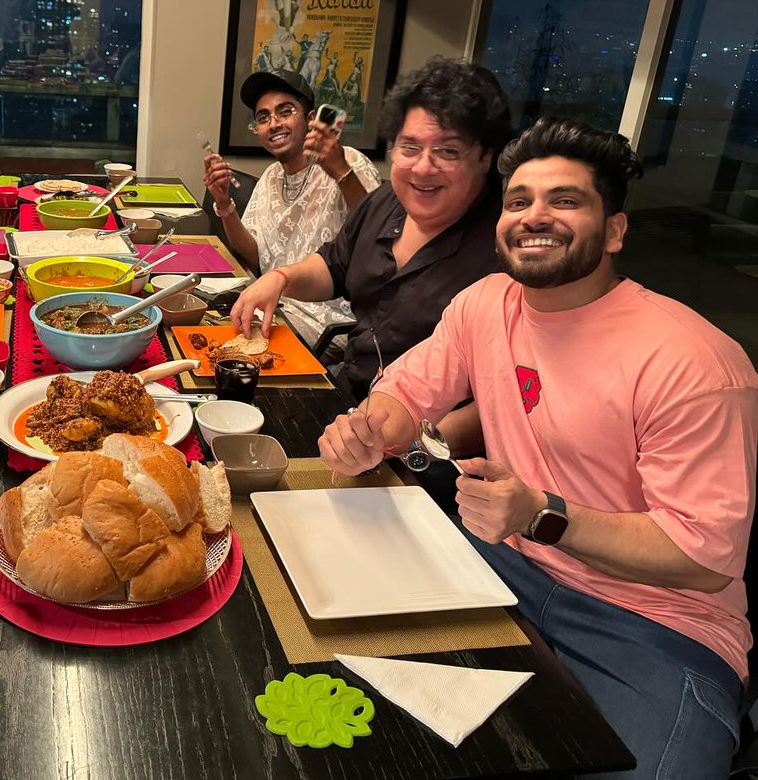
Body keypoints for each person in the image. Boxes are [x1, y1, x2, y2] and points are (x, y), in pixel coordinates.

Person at [320, 117, 757, 779]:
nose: (534, 216)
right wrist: (367, 430)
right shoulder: (487, 303)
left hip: (655, 622)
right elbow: (408, 393)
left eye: (566, 200)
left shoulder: (693, 361)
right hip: (506, 569)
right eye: (519, 201)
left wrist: (538, 514)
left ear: (614, 230)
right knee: (339, 666)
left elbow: (704, 558)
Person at [231, 57, 513, 402]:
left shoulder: (502, 250)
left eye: (448, 151)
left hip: (425, 434)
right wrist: (282, 279)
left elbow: (497, 394)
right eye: (409, 147)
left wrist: (409, 432)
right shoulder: (386, 202)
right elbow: (334, 264)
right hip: (353, 393)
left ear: (486, 157)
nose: (423, 168)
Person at [204, 69, 380, 347]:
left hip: (325, 322)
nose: (273, 124)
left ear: (311, 119)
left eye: (285, 112)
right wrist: (225, 204)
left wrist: (341, 172)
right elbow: (254, 253)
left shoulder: (350, 162)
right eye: (263, 118)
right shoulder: (271, 176)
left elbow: (377, 235)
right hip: (273, 308)